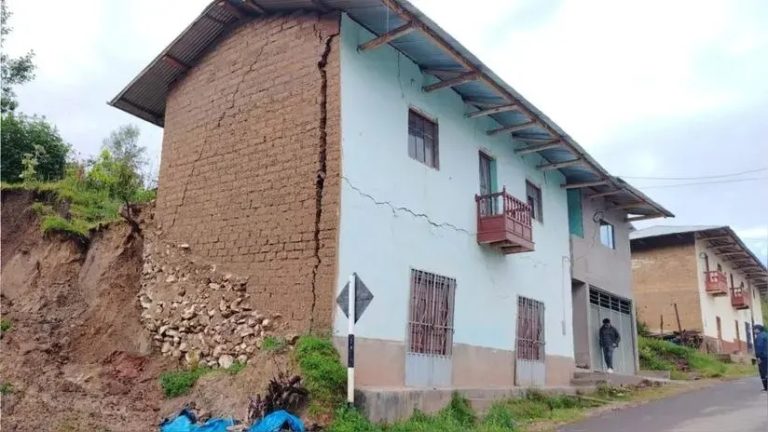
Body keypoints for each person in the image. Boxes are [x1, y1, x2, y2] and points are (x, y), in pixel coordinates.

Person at [755, 324, 768, 392]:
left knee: (763, 371)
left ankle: (766, 388)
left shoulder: (759, 336)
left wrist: (758, 357)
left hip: (763, 356)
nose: (754, 330)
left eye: (755, 329)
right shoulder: (766, 334)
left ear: (758, 329)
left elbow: (759, 347)